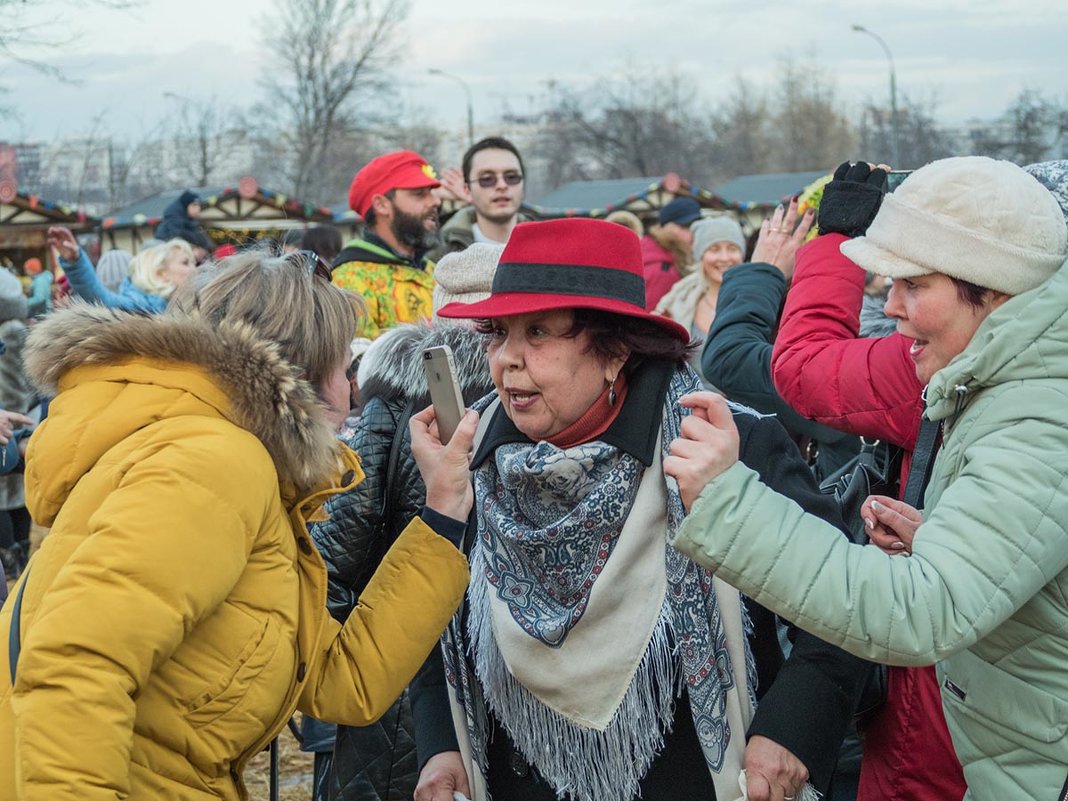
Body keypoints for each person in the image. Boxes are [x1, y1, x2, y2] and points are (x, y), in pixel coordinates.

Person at [409, 219, 868, 801]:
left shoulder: (725, 443)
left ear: (614, 349)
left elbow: (842, 605)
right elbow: (429, 617)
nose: (507, 360)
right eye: (497, 333)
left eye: (540, 332)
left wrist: (789, 734)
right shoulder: (468, 455)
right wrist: (441, 750)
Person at [0, 248, 471, 801]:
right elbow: (76, 663)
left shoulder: (246, 469)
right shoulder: (215, 461)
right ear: (305, 374)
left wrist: (441, 515)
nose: (353, 390)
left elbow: (341, 679)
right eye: (346, 368)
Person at [665, 156, 1068, 801]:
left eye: (914, 283)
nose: (891, 305)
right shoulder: (991, 375)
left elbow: (922, 610)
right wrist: (939, 540)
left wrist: (724, 504)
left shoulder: (1038, 416)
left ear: (992, 286)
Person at [768, 164, 963, 801]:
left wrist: (836, 244)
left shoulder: (943, 367)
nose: (891, 307)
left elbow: (800, 367)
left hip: (937, 726)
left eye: (913, 280)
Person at [313, 242, 503, 801]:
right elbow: (337, 554)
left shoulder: (392, 399)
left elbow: (336, 554)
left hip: (407, 682)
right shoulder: (404, 405)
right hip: (435, 697)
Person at [332, 151, 442, 339]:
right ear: (381, 205)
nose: (436, 201)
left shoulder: (436, 273)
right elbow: (358, 364)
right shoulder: (350, 280)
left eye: (431, 193)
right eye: (419, 194)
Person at [48, 227, 196, 314]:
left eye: (193, 262)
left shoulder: (190, 303)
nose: (194, 269)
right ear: (161, 274)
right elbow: (102, 300)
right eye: (185, 263)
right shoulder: (143, 307)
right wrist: (76, 262)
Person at [428, 137, 527, 261]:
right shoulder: (440, 254)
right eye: (487, 179)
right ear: (467, 189)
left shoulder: (550, 245)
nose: (502, 186)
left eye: (512, 177)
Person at [655, 214, 747, 338]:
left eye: (732, 248)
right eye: (714, 249)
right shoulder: (678, 302)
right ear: (700, 256)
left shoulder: (758, 299)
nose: (724, 258)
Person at [642, 196, 701, 309]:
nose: (692, 234)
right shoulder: (664, 271)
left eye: (696, 228)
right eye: (685, 227)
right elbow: (654, 319)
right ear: (666, 228)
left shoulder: (654, 250)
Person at [154, 189, 213, 260]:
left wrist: (206, 248)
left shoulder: (190, 221)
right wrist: (192, 249)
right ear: (186, 205)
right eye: (194, 205)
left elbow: (198, 237)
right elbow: (175, 240)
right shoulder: (172, 222)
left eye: (199, 206)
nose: (198, 209)